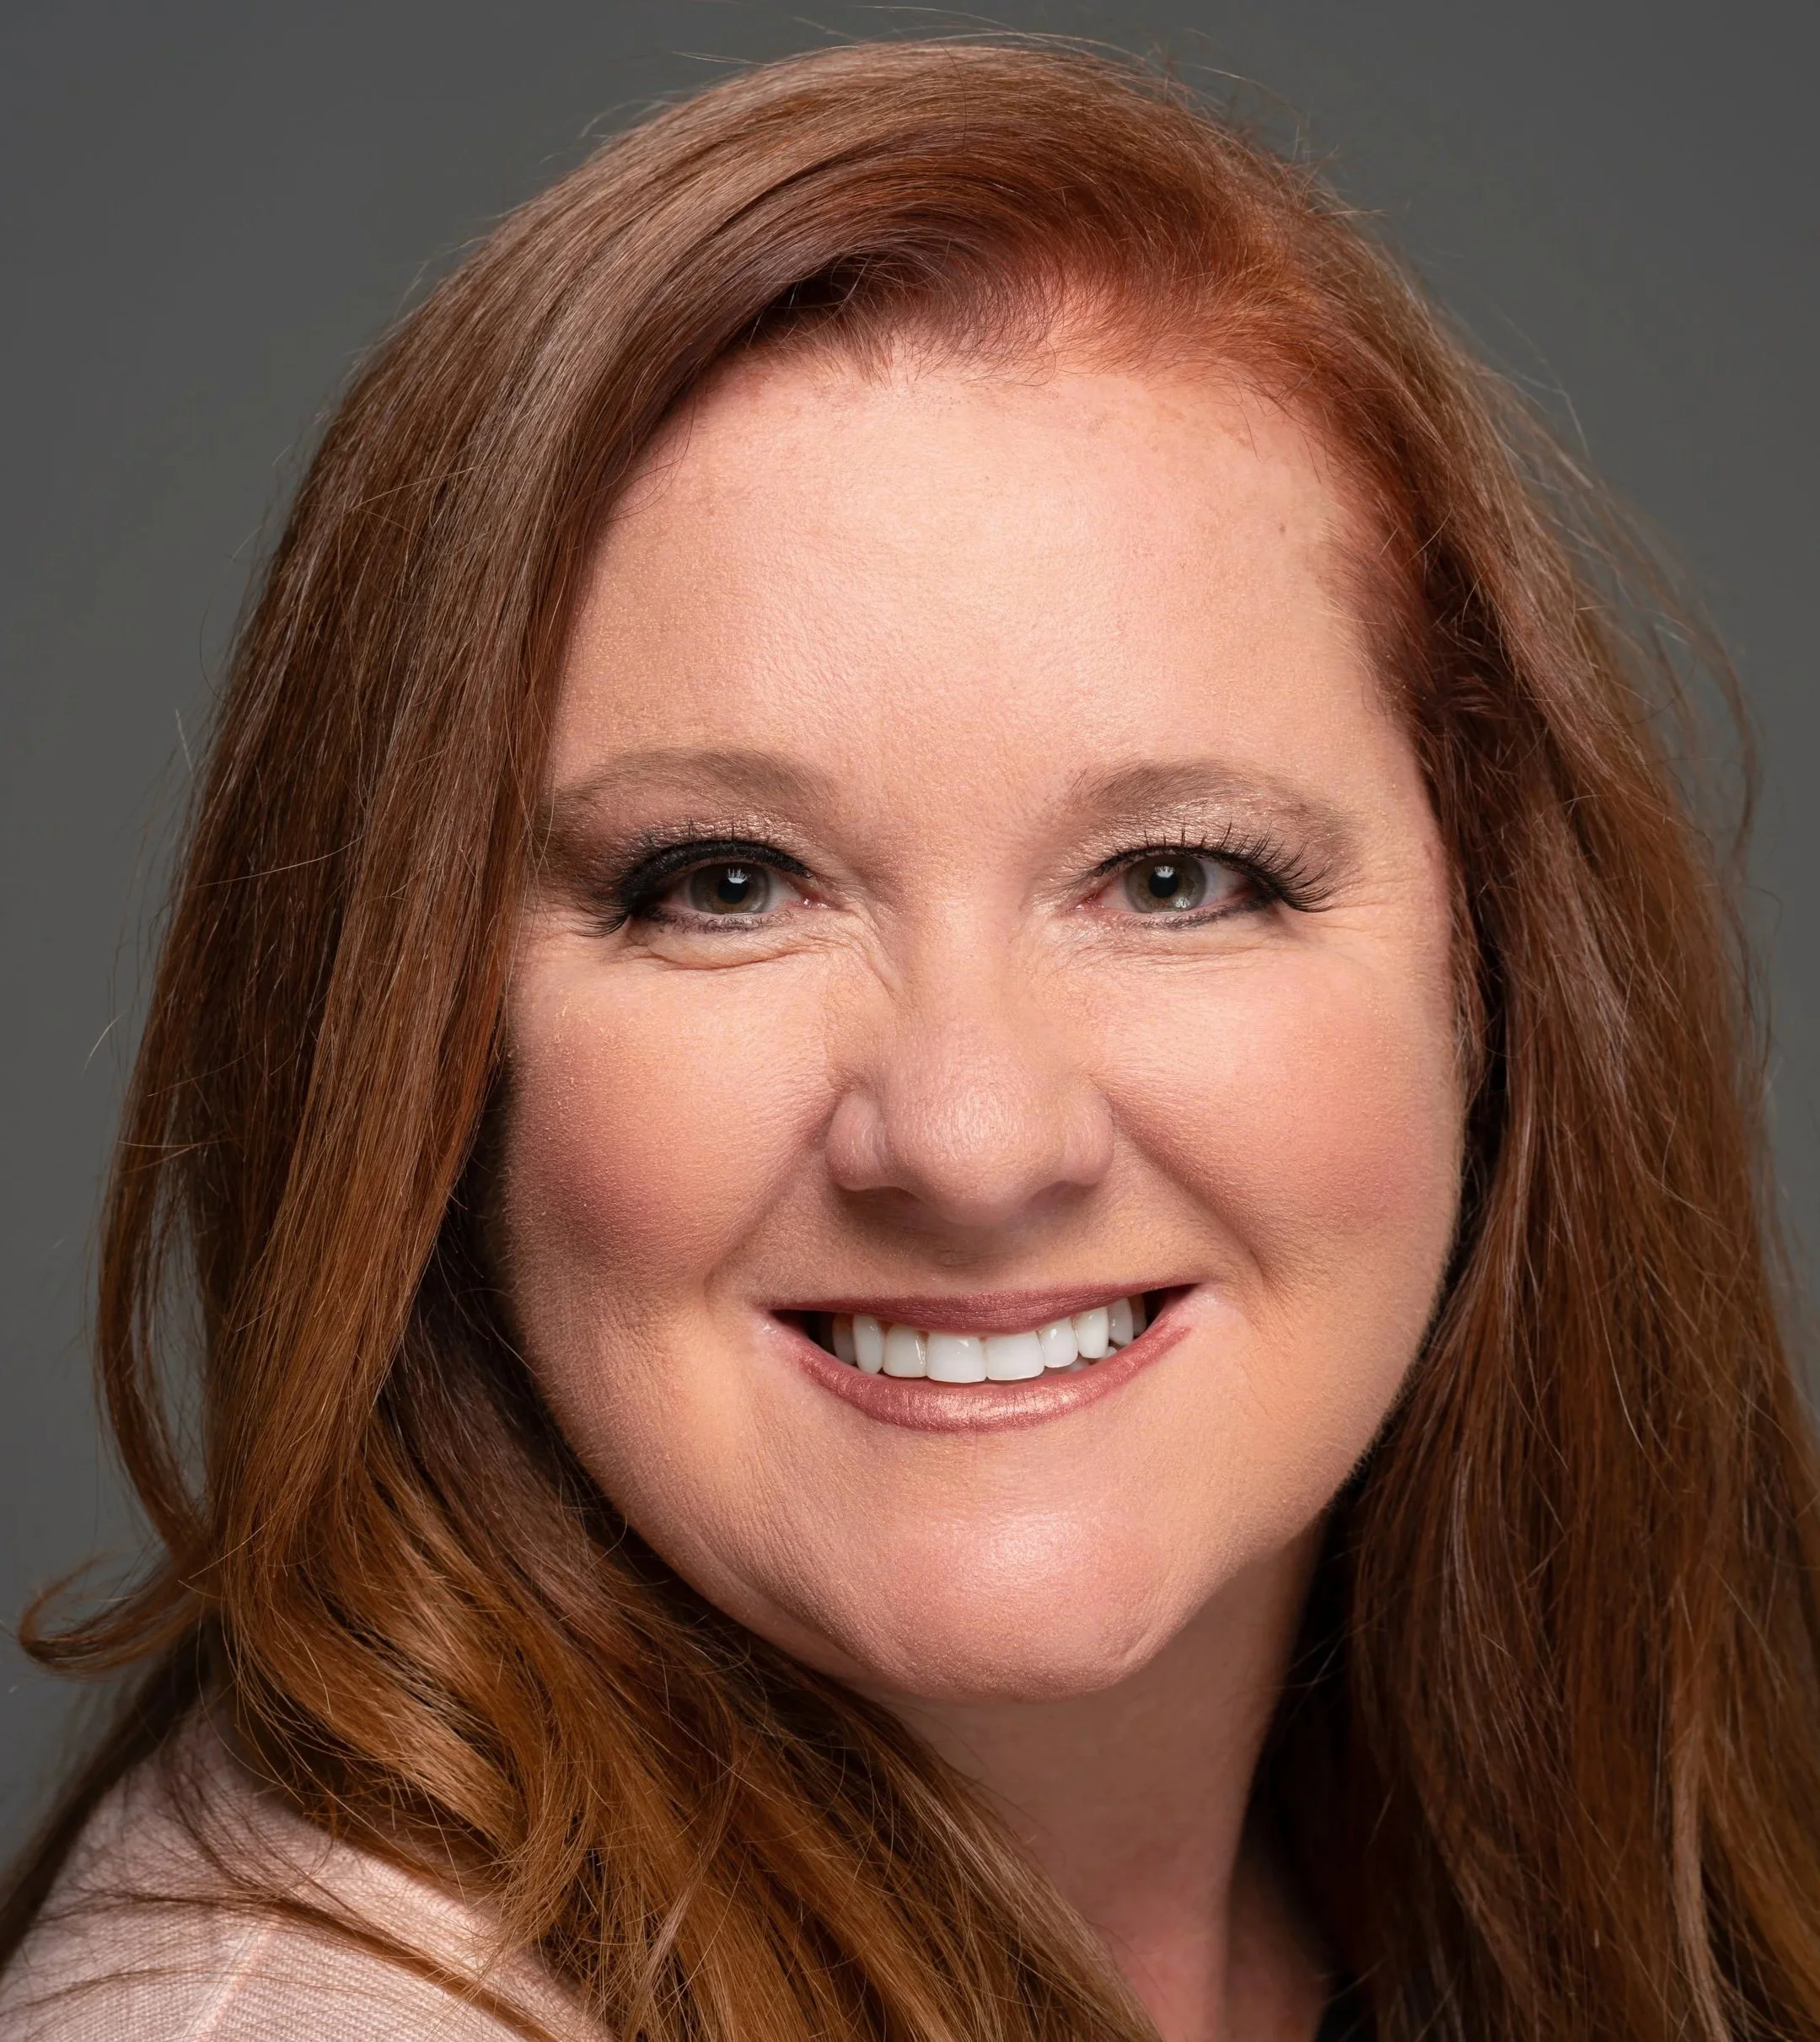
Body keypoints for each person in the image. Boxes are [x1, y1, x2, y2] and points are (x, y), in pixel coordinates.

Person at [2, 38, 1815, 2042]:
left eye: (1173, 877)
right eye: (723, 883)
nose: (965, 1132)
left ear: (1490, 966)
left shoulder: (1550, 1868)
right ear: (423, 1038)